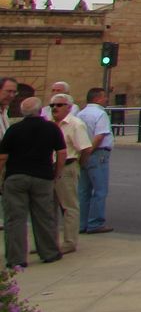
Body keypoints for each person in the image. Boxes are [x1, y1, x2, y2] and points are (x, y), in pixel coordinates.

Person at [0, 97, 66, 267]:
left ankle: (16, 259)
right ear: (40, 111)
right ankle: (49, 253)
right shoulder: (51, 128)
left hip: (16, 177)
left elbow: (3, 157)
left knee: (15, 219)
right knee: (44, 216)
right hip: (42, 176)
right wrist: (57, 173)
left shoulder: (14, 129)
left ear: (23, 112)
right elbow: (61, 153)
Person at [49, 93, 91, 253]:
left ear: (69, 107)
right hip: (50, 168)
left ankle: (69, 242)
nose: (55, 108)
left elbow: (86, 148)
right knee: (48, 206)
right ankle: (49, 240)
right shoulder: (50, 124)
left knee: (69, 206)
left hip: (67, 166)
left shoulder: (75, 124)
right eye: (52, 105)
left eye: (59, 105)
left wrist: (78, 164)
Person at [77, 86, 114, 233]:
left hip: (83, 153)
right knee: (100, 190)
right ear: (97, 98)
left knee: (83, 191)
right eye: (104, 97)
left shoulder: (81, 113)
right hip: (97, 154)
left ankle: (81, 223)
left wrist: (84, 153)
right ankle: (95, 223)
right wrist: (90, 151)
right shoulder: (100, 113)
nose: (106, 99)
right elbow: (100, 135)